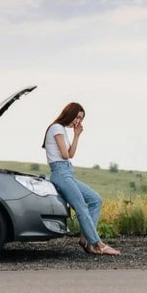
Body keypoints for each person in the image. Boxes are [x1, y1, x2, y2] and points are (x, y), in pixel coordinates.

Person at [43, 102, 120, 255]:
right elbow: (65, 155)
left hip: (67, 172)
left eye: (81, 118)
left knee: (95, 200)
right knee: (81, 207)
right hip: (60, 173)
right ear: (69, 113)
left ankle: (86, 239)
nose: (78, 121)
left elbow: (70, 154)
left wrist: (76, 135)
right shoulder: (56, 127)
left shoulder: (63, 130)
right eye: (77, 117)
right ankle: (98, 244)